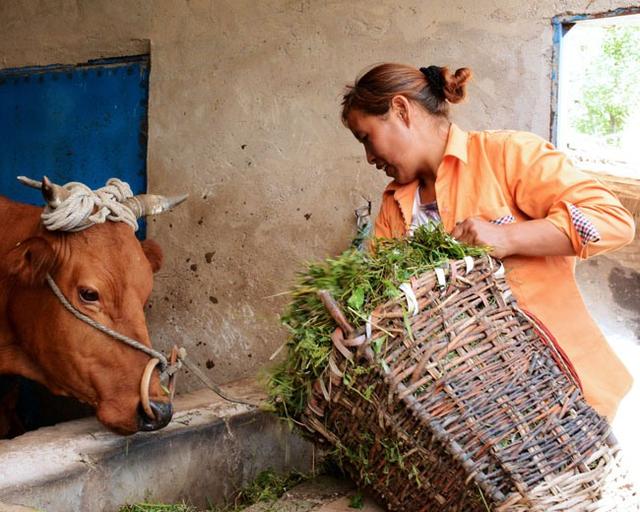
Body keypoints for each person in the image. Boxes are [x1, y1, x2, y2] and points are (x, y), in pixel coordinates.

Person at [341, 63, 635, 421]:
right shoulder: (394, 205)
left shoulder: (508, 155)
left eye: (365, 138)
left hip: (561, 399)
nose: (369, 157)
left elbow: (612, 220)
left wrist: (507, 236)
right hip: (472, 417)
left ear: (401, 110)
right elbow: (381, 297)